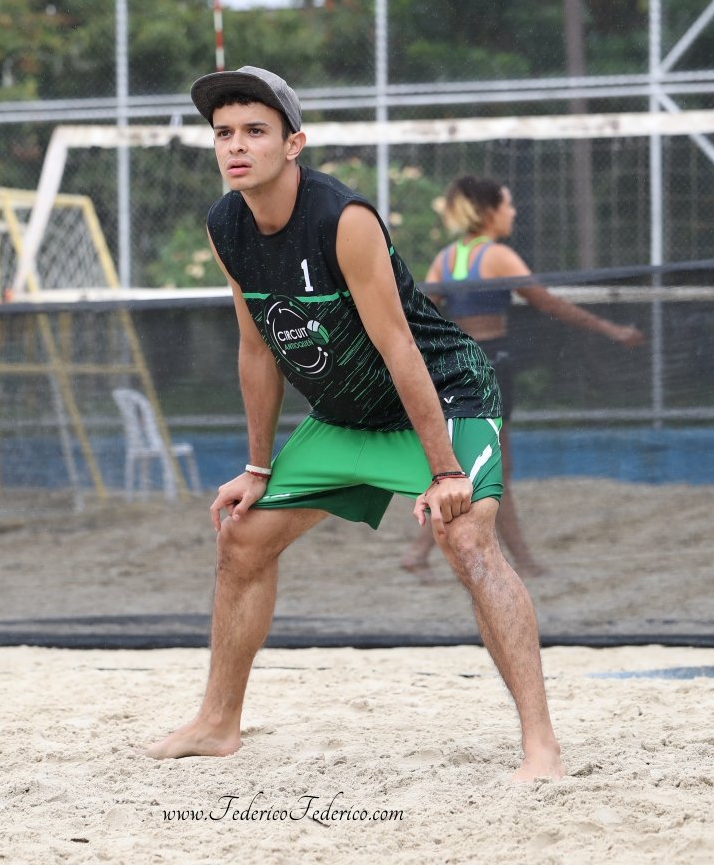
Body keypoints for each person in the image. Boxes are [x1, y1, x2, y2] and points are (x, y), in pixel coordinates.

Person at [146, 66, 563, 781]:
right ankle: (217, 724)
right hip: (347, 416)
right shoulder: (226, 225)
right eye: (223, 133)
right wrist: (257, 467)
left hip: (445, 395)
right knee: (241, 537)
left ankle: (541, 746)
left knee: (466, 538)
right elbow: (257, 348)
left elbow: (400, 348)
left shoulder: (344, 219)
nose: (235, 146)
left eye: (255, 131)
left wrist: (444, 471)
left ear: (294, 143)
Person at [398, 176, 645, 583]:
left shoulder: (447, 258)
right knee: (494, 467)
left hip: (458, 366)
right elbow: (549, 304)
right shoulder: (497, 256)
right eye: (508, 205)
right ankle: (516, 560)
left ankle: (421, 552)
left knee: (470, 466)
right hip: (489, 365)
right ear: (489, 211)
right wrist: (612, 330)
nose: (512, 212)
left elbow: (419, 313)